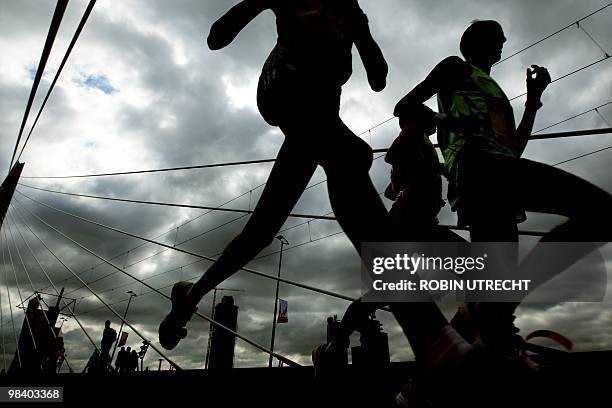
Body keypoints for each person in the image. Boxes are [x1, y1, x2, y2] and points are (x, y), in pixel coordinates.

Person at [159, 0, 396, 350]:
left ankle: (190, 296)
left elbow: (378, 78)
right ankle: (399, 284)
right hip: (285, 91)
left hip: (321, 116)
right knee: (349, 155)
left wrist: (361, 30)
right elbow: (216, 38)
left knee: (261, 232)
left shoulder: (348, 7)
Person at [394, 20, 612, 356]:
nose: (504, 42)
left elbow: (515, 146)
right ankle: (494, 315)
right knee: (602, 211)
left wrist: (533, 100)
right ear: (478, 42)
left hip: (496, 177)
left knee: (488, 296)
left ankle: (425, 387)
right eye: (498, 37)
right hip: (479, 168)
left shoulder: (494, 91)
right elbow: (404, 107)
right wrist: (446, 121)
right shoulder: (455, 68)